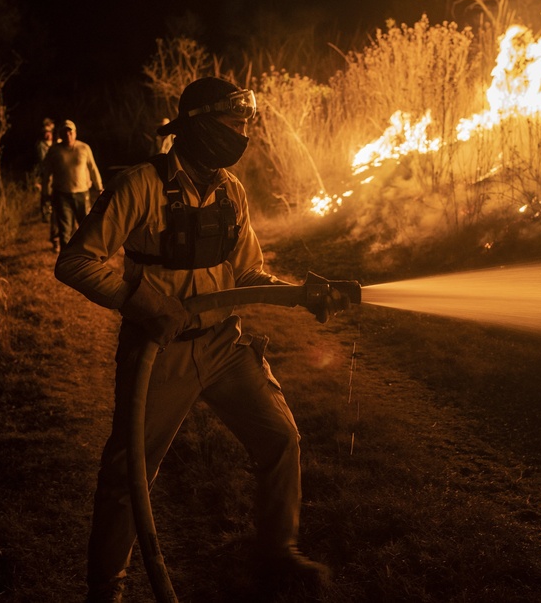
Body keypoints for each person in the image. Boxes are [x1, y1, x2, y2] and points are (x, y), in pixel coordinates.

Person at [55, 77, 340, 603]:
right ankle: (106, 589)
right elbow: (74, 261)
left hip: (224, 345)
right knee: (128, 473)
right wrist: (141, 302)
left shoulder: (231, 192)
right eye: (235, 123)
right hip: (158, 353)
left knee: (280, 439)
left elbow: (249, 273)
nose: (243, 134)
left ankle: (277, 555)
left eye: (246, 124)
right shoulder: (140, 185)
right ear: (201, 125)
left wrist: (303, 293)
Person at [40, 119, 103, 252]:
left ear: (75, 133)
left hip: (82, 193)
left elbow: (93, 168)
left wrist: (99, 187)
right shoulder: (54, 151)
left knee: (86, 227)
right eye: (65, 132)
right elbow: (46, 174)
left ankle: (87, 257)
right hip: (62, 195)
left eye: (70, 132)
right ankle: (66, 261)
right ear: (61, 134)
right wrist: (45, 193)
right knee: (65, 230)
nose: (68, 135)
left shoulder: (84, 148)